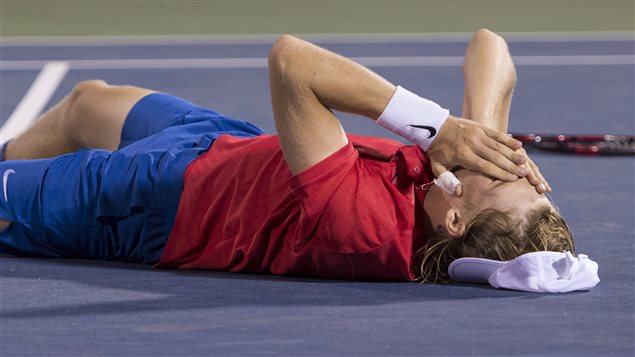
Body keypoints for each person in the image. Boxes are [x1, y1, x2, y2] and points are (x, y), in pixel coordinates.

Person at [0, 29, 574, 283]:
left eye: (505, 178)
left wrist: (435, 125)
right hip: (227, 148)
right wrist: (487, 138)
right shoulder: (461, 180)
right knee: (85, 103)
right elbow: (490, 46)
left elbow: (291, 61)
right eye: (522, 172)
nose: (506, 166)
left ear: (454, 221)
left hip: (155, 202)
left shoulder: (364, 230)